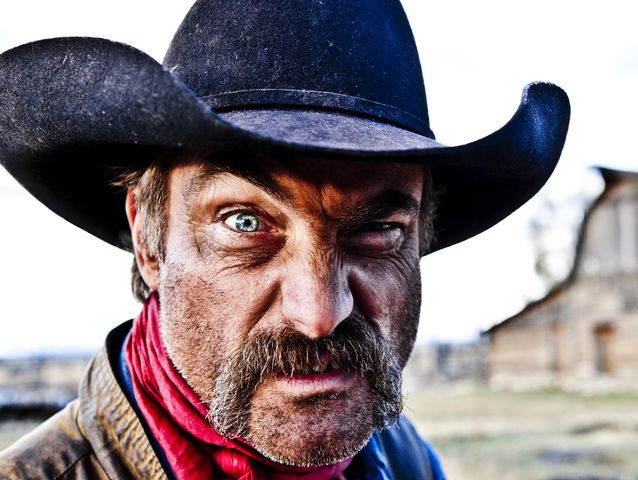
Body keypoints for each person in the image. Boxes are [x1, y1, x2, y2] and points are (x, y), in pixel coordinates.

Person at [0, 0, 570, 478]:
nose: (319, 314)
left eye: (377, 229)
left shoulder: (405, 459)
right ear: (150, 241)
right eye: (244, 222)